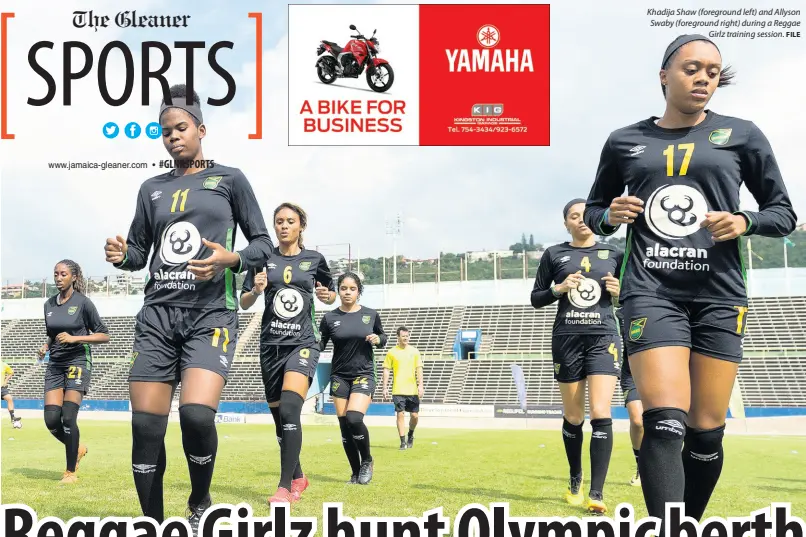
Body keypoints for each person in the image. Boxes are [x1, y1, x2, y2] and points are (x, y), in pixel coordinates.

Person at [583, 34, 797, 525]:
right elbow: (595, 210)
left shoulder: (743, 135)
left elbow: (783, 213)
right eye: (691, 68)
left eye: (713, 72)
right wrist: (610, 215)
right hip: (651, 290)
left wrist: (744, 221)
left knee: (706, 431)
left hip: (720, 294)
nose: (703, 78)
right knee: (664, 422)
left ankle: (686, 523)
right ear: (664, 75)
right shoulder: (624, 140)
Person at [104, 84, 273, 530]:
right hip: (158, 317)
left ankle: (200, 500)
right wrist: (123, 255)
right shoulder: (150, 188)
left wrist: (230, 259)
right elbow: (140, 252)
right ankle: (154, 523)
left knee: (196, 416)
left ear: (201, 129)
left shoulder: (230, 179)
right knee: (146, 429)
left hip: (210, 315)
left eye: (181, 128)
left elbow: (263, 244)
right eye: (165, 132)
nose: (173, 137)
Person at [531, 198, 624, 515]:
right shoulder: (554, 254)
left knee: (601, 410)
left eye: (586, 214)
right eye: (574, 215)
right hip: (567, 339)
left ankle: (596, 493)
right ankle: (575, 477)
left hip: (604, 337)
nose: (581, 219)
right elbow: (536, 298)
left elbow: (634, 296)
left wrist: (619, 290)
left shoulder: (615, 253)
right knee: (574, 417)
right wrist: (559, 288)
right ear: (566, 223)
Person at [240, 202, 336, 504]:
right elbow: (243, 302)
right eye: (279, 221)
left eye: (289, 221)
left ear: (300, 226)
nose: (283, 226)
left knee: (291, 411)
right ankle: (298, 477)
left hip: (303, 344)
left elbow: (330, 293)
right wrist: (256, 290)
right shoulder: (262, 258)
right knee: (281, 423)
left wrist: (327, 295)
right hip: (270, 347)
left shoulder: (315, 259)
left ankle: (284, 488)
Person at [37, 259, 109, 483]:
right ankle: (78, 448)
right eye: (56, 274)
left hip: (78, 360)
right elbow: (52, 332)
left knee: (68, 417)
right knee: (51, 420)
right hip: (56, 364)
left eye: (63, 274)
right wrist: (46, 345)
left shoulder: (83, 303)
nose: (58, 278)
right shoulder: (49, 304)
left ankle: (70, 471)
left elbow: (103, 334)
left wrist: (75, 338)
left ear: (74, 277)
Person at [320, 272, 387, 485]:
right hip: (339, 375)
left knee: (354, 419)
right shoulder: (330, 318)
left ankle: (367, 460)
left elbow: (383, 337)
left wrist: (378, 339)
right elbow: (319, 344)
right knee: (344, 426)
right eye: (343, 288)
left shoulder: (370, 314)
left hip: (364, 374)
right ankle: (355, 472)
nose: (347, 292)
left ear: (358, 291)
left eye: (352, 289)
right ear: (338, 290)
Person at [382, 326, 424, 450]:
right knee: (400, 415)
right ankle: (402, 442)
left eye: (407, 336)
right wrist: (385, 387)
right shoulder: (391, 352)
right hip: (398, 390)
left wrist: (420, 385)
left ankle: (410, 434)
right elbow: (386, 370)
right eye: (403, 336)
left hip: (412, 390)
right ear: (398, 337)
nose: (406, 338)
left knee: (414, 416)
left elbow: (419, 369)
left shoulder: (415, 352)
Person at [616, 308, 643, 487]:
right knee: (637, 421)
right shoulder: (620, 314)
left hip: (658, 370)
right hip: (631, 372)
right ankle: (641, 469)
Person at [1, 361, 23, 429]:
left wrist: (6, 381)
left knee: (9, 398)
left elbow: (11, 372)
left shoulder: (3, 364)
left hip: (2, 387)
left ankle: (12, 417)